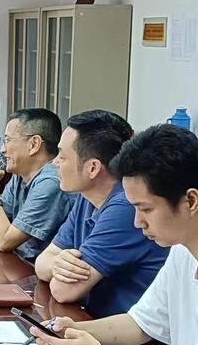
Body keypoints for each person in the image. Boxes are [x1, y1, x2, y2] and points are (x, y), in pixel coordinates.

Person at [31, 124, 198, 345]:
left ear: (191, 201)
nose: (137, 222)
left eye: (146, 209)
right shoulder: (182, 252)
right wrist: (73, 332)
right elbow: (139, 325)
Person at [35, 110, 168, 317]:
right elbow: (42, 263)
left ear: (93, 168)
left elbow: (64, 290)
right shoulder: (86, 197)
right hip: (92, 319)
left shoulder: (126, 207)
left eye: (62, 156)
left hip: (127, 332)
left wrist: (57, 267)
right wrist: (57, 263)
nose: (55, 163)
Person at [0, 108, 76, 261]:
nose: (2, 149)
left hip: (36, 269)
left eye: (8, 140)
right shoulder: (20, 176)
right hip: (19, 262)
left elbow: (5, 241)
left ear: (33, 144)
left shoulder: (51, 182)